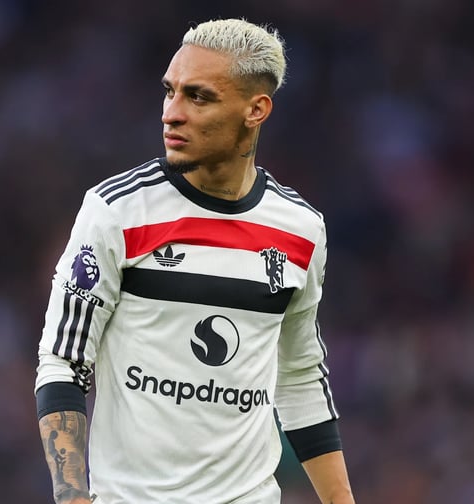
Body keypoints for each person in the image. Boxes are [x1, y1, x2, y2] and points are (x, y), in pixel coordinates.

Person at [34, 18, 354, 504]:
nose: (172, 113)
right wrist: (72, 494)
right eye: (170, 92)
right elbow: (64, 360)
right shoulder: (117, 212)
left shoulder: (300, 230)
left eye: (198, 97)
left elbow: (299, 377)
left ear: (255, 110)